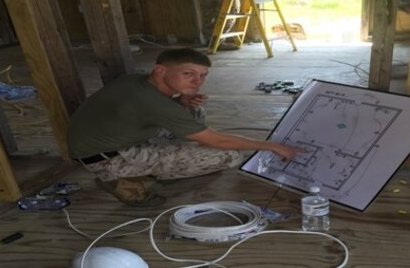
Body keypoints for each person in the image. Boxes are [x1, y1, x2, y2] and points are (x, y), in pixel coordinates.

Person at [67, 48, 302, 207]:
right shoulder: (153, 102)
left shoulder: (136, 81)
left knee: (193, 111)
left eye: (202, 76)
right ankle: (122, 177)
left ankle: (162, 156)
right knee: (229, 156)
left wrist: (181, 102)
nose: (196, 82)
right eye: (188, 74)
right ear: (160, 70)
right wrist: (272, 146)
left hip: (108, 141)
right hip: (108, 158)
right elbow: (217, 142)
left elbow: (153, 111)